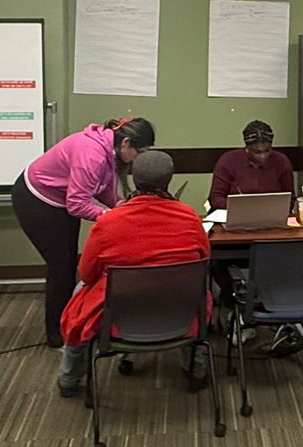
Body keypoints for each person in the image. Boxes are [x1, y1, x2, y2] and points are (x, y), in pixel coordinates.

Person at [56, 149, 211, 396]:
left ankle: (69, 379)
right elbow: (204, 261)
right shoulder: (190, 218)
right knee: (197, 290)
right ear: (169, 180)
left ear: (133, 179)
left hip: (120, 315)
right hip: (177, 312)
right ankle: (197, 371)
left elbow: (86, 273)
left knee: (79, 293)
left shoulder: (109, 222)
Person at [11, 116, 156, 348]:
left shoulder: (110, 150)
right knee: (61, 266)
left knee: (69, 261)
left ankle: (68, 322)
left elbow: (101, 187)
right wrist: (111, 216)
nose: (139, 158)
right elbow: (77, 205)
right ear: (126, 143)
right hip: (36, 199)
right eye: (139, 152)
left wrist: (120, 205)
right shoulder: (92, 154)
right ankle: (56, 335)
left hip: (61, 199)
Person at [208, 119, 295, 210]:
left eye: (267, 150)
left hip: (271, 214)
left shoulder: (281, 161)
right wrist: (244, 208)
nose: (263, 156)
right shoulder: (228, 161)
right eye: (257, 152)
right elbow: (216, 199)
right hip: (237, 213)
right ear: (247, 148)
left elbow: (290, 198)